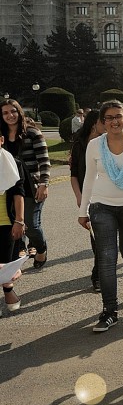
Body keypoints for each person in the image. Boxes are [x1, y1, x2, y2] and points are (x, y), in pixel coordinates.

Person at [78, 100, 123, 332]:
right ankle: (109, 311)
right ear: (102, 121)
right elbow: (89, 179)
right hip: (102, 207)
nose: (114, 122)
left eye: (118, 116)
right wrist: (83, 210)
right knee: (107, 258)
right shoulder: (94, 145)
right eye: (109, 118)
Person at [0, 98, 50, 270]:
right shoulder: (2, 135)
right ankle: (18, 254)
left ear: (19, 112)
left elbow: (44, 161)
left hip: (32, 186)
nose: (10, 115)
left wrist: (44, 184)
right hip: (9, 187)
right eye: (5, 112)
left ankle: (41, 248)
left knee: (31, 225)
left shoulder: (32, 133)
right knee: (13, 222)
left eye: (13, 111)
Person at [70, 109, 103, 291]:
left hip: (108, 197)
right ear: (94, 124)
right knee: (97, 238)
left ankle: (100, 272)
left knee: (106, 238)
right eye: (104, 121)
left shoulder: (109, 142)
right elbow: (74, 174)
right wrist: (79, 197)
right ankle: (98, 275)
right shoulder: (79, 145)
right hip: (87, 197)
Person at [0, 136, 26, 311]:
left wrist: (19, 220)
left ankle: (8, 289)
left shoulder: (12, 163)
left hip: (6, 221)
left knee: (6, 261)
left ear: (1, 140)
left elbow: (19, 193)